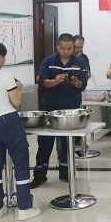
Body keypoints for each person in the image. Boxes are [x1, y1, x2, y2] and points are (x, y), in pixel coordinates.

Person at [0, 42, 41, 221]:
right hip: (8, 121)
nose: (4, 60)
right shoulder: (5, 75)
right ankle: (25, 208)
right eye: (4, 57)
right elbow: (17, 101)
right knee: (20, 162)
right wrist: (17, 86)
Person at [30, 33, 88, 188]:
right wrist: (54, 82)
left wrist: (76, 83)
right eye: (63, 48)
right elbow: (42, 82)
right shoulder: (48, 61)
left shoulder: (80, 62)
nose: (66, 51)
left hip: (71, 109)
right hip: (50, 108)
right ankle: (39, 174)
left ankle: (65, 172)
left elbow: (83, 84)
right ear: (57, 46)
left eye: (69, 48)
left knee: (66, 143)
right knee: (45, 143)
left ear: (73, 47)